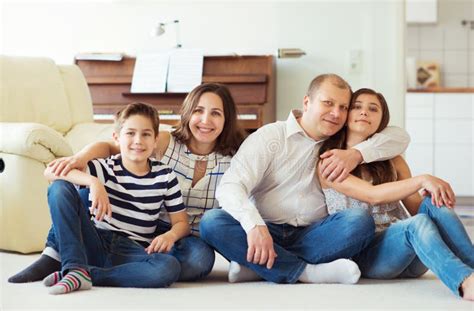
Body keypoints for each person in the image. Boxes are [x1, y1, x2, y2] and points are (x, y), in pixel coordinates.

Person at [9, 83, 245, 284]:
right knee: (76, 192)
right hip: (136, 224)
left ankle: (87, 271)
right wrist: (82, 164)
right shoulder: (164, 141)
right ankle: (57, 255)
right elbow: (111, 149)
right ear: (187, 114)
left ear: (227, 119)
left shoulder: (235, 158)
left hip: (180, 236)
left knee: (199, 260)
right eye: (198, 111)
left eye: (216, 113)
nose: (205, 120)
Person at [198, 74, 411, 284]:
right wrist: (254, 226)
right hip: (266, 227)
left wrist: (356, 154)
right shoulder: (270, 136)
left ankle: (260, 267)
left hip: (315, 234)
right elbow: (230, 186)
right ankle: (307, 272)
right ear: (307, 102)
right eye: (328, 103)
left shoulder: (342, 143)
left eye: (343, 107)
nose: (336, 113)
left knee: (359, 221)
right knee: (211, 222)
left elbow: (399, 137)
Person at [317, 88, 474, 300]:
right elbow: (372, 195)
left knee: (433, 205)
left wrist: (432, 198)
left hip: (411, 253)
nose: (364, 112)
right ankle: (464, 282)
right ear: (345, 116)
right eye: (357, 107)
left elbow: (415, 207)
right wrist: (421, 179)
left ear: (382, 121)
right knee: (416, 224)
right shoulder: (330, 162)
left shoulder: (393, 159)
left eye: (373, 109)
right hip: (371, 257)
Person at [40, 102, 189, 294]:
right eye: (130, 133)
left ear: (155, 139)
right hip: (95, 240)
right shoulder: (105, 168)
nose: (138, 140)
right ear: (116, 138)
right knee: (59, 188)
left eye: (146, 134)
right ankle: (75, 266)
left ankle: (82, 274)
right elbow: (51, 172)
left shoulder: (166, 176)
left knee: (169, 267)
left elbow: (181, 222)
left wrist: (170, 235)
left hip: (133, 249)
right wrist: (94, 183)